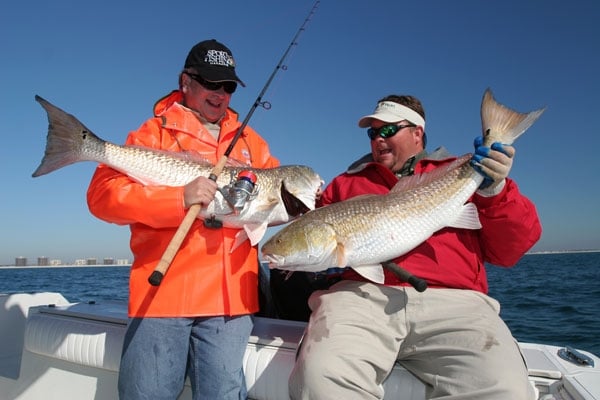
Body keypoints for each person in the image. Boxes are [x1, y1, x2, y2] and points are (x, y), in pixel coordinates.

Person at [286, 94, 542, 399]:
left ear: (417, 132)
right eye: (372, 133)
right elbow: (313, 237)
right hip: (362, 299)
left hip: (456, 304)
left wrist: (495, 191)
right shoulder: (344, 184)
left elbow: (510, 250)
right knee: (320, 375)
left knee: (505, 388)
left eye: (387, 131)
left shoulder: (462, 170)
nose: (377, 140)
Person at [87, 39, 280, 400]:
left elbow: (271, 208)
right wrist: (178, 199)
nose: (220, 94)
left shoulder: (253, 143)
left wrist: (299, 208)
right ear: (185, 81)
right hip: (164, 292)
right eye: (210, 82)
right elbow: (102, 198)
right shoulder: (153, 133)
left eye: (228, 86)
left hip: (231, 301)